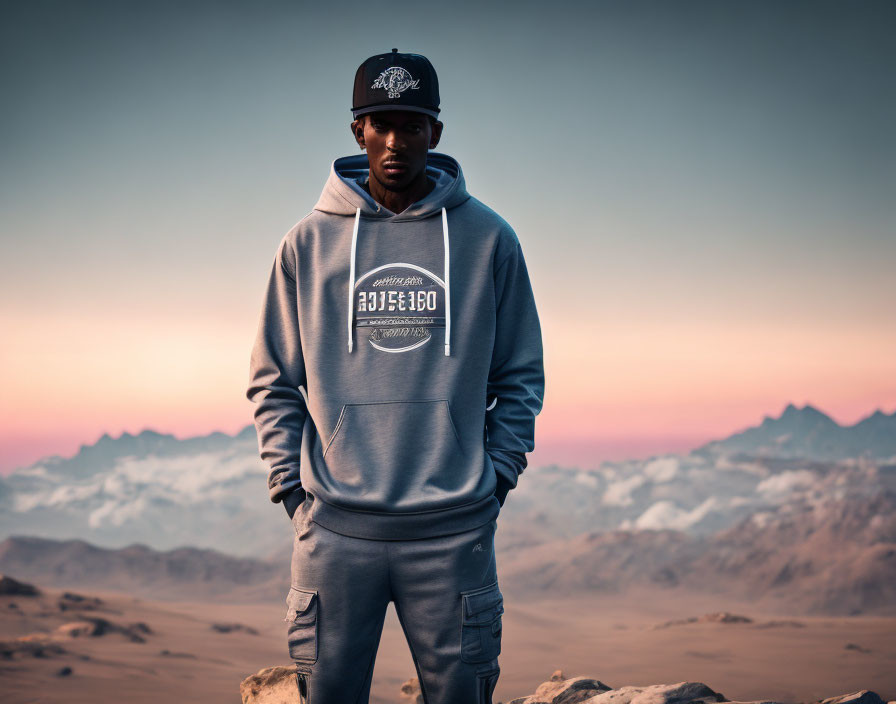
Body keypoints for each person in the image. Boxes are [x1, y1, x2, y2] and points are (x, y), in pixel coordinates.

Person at [246, 48, 544, 704]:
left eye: (411, 124)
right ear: (358, 131)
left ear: (434, 133)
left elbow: (521, 373)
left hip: (453, 532)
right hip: (335, 533)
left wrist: (494, 481)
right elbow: (272, 379)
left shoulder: (490, 239)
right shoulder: (306, 244)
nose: (394, 140)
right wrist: (294, 495)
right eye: (379, 123)